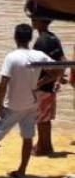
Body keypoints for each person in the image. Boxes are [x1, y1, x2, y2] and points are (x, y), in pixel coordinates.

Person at [0, 24, 53, 178]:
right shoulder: (39, 55)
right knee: (28, 137)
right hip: (31, 103)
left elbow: (3, 83)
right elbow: (57, 70)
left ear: (15, 37)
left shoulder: (12, 57)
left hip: (13, 105)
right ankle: (22, 170)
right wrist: (41, 82)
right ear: (30, 38)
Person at [31, 16, 65, 156]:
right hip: (49, 85)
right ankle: (45, 144)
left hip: (43, 85)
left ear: (40, 21)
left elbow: (48, 67)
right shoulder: (53, 37)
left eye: (34, 19)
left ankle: (43, 148)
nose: (32, 21)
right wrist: (59, 78)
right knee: (44, 118)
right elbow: (62, 60)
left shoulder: (41, 41)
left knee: (42, 119)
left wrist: (38, 84)